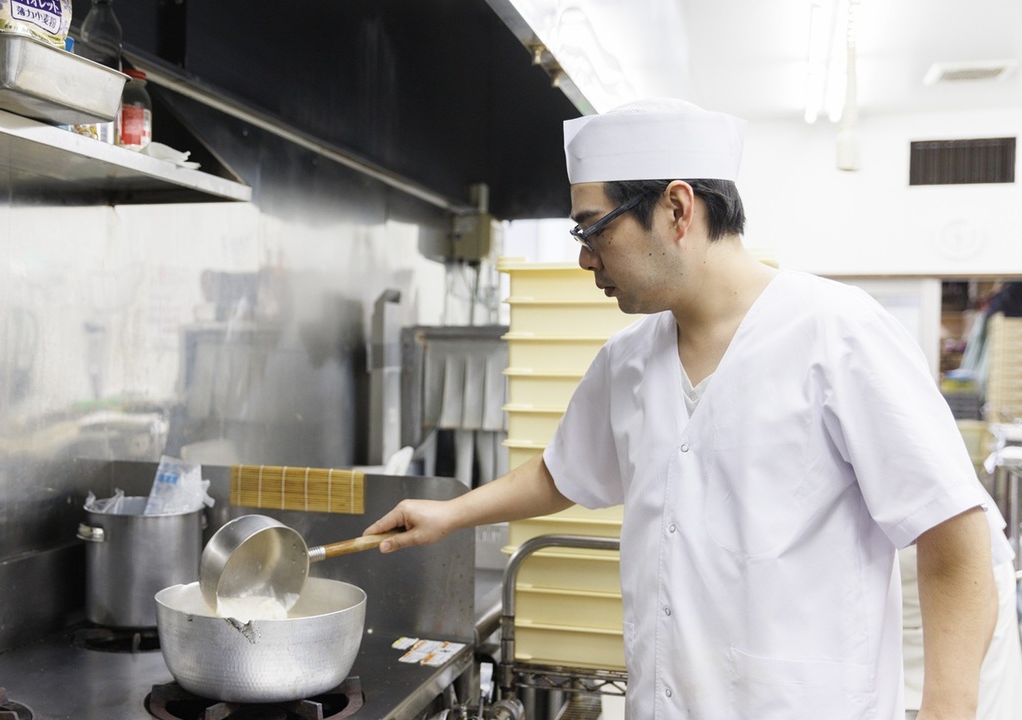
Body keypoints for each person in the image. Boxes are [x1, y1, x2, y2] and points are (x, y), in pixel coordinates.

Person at [364, 98, 1013, 720]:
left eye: (594, 229)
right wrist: (449, 513)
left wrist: (947, 710)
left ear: (677, 209)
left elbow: (952, 529)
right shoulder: (627, 362)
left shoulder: (838, 336)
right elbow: (561, 473)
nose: (586, 257)